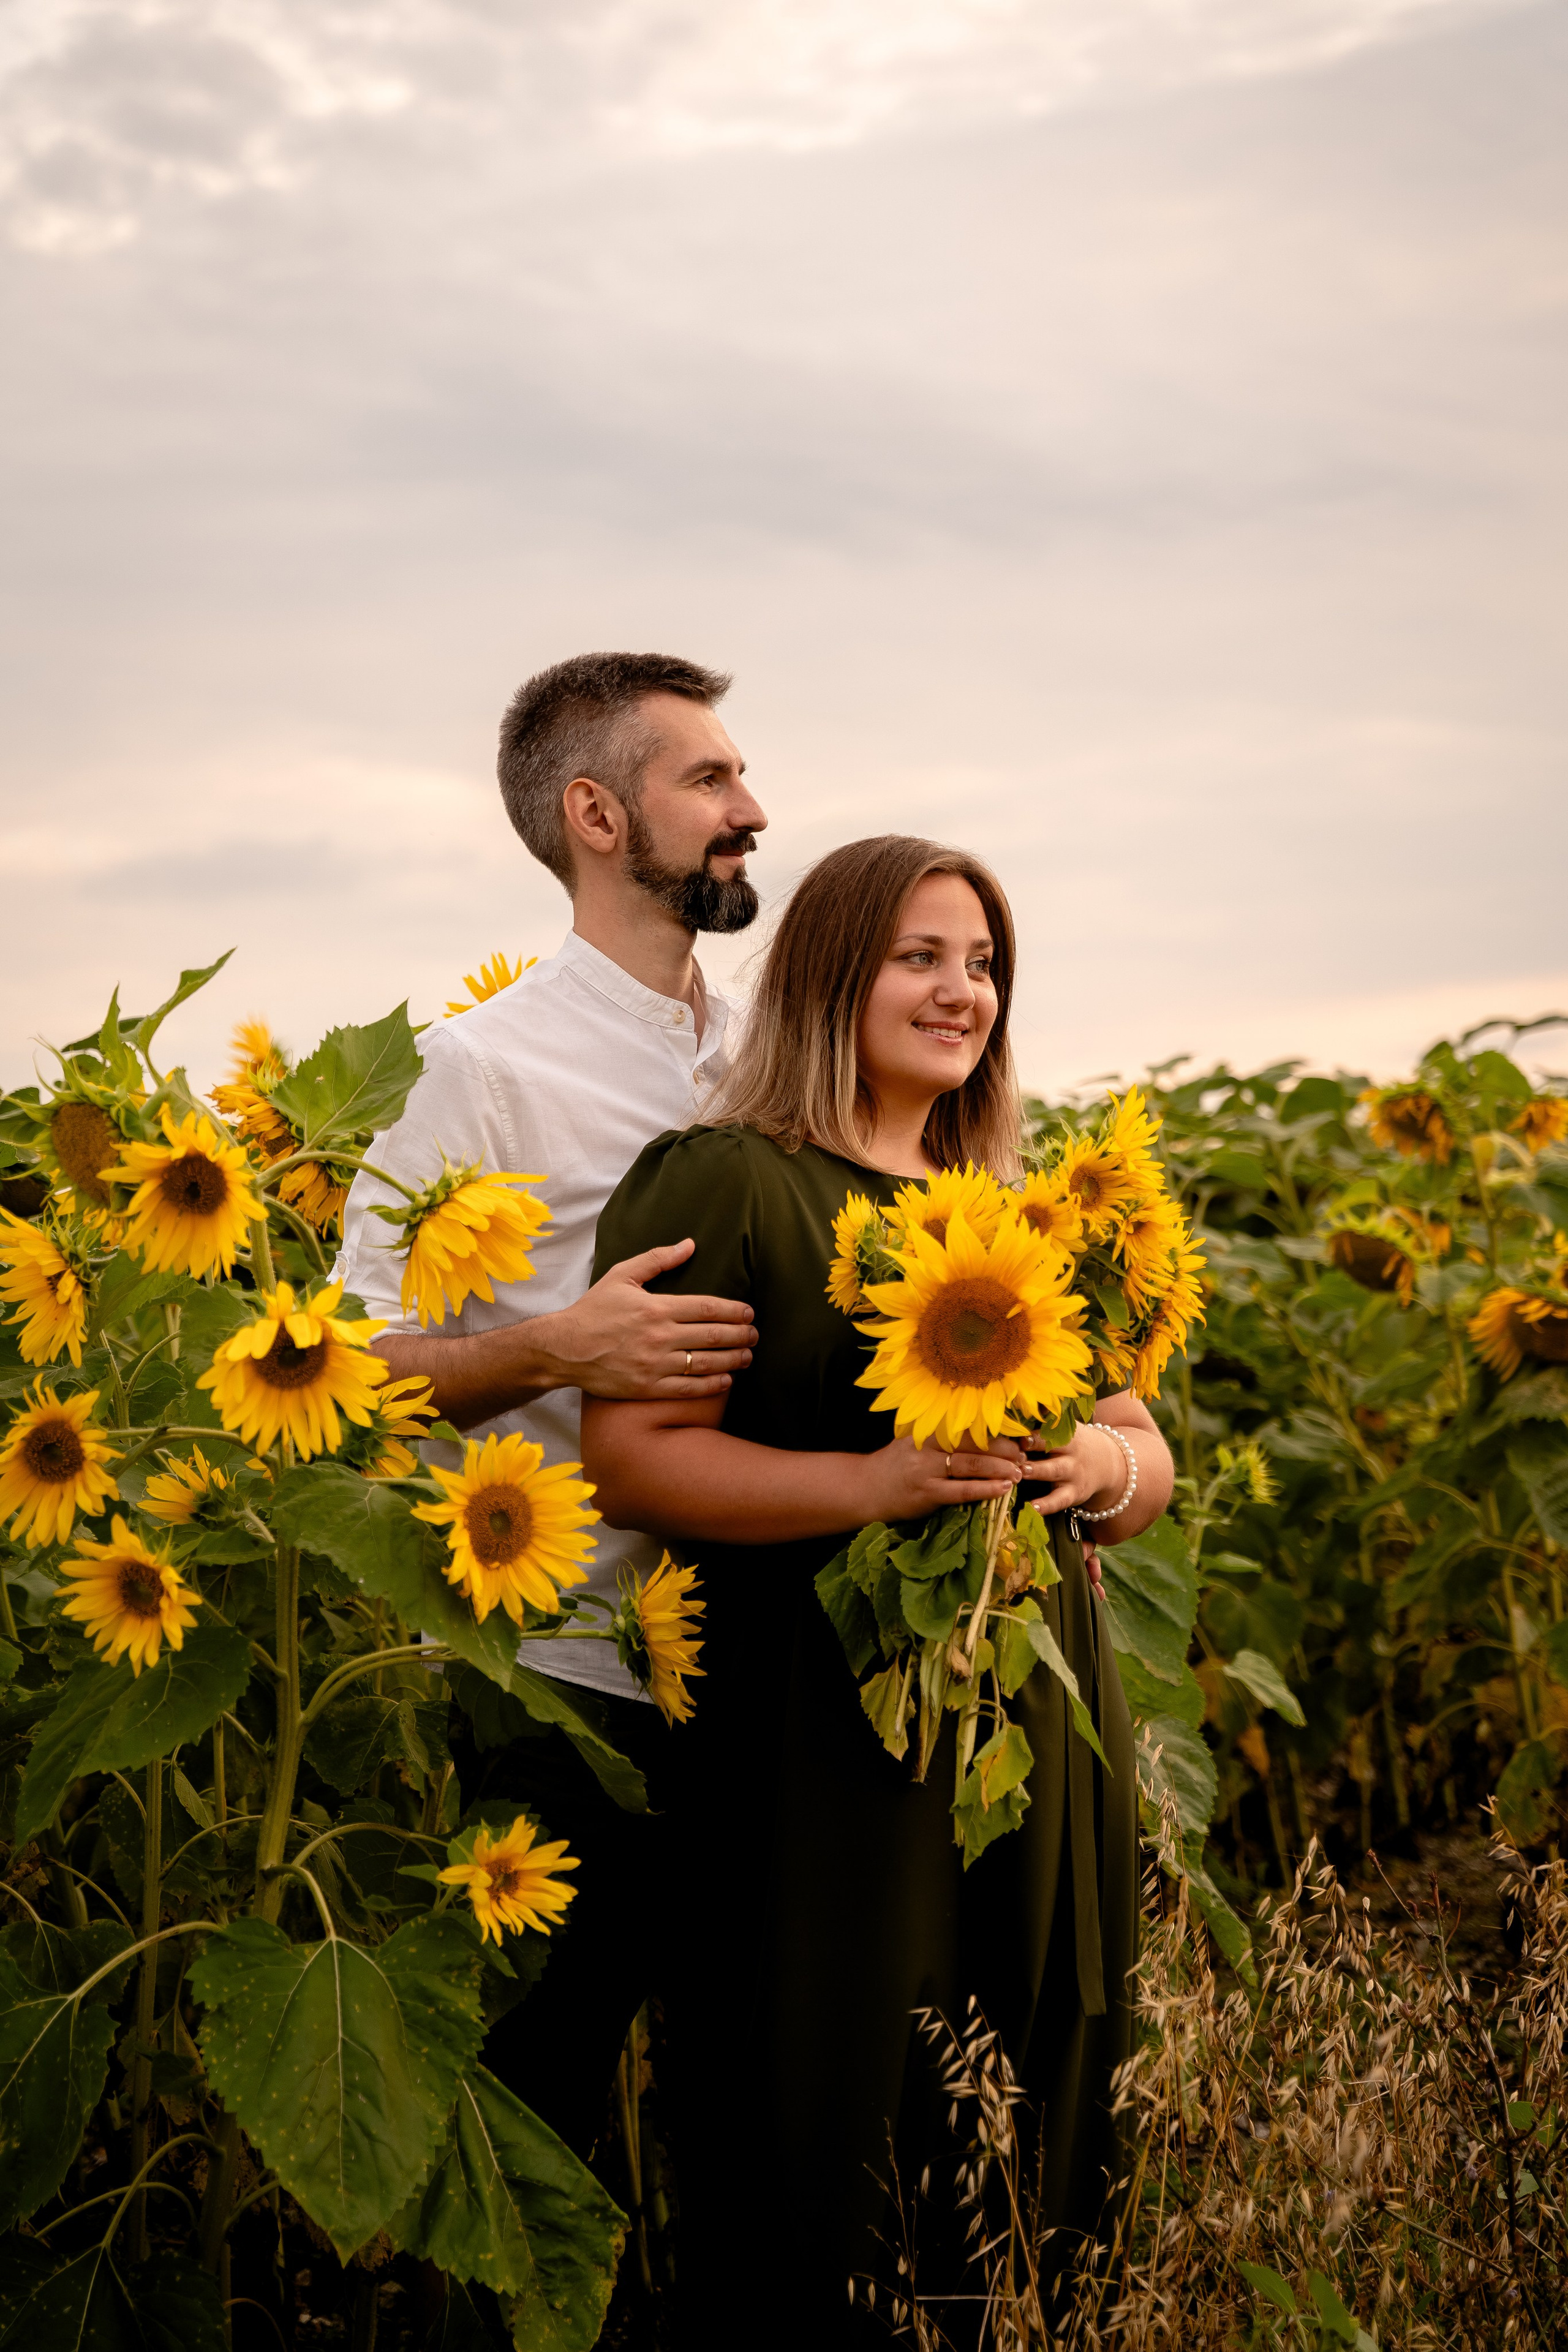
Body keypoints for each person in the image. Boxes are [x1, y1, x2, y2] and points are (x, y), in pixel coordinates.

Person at [582, 834, 1174, 2348]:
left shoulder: (1005, 1206)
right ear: (831, 973)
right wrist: (873, 1487)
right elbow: (634, 1461)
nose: (959, 990)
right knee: (832, 2100)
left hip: (1030, 1722)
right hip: (819, 1726)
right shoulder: (728, 1179)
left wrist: (1093, 1470)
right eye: (920, 957)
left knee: (1033, 2080)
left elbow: (1143, 1457)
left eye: (980, 965)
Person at [334, 647, 767, 2152]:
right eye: (707, 779)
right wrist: (557, 1350)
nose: (750, 809)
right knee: (540, 2105)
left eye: (740, 774)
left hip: (767, 1663)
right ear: (596, 816)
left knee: (747, 2109)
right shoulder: (477, 1070)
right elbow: (346, 1380)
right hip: (566, 1684)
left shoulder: (765, 1052)